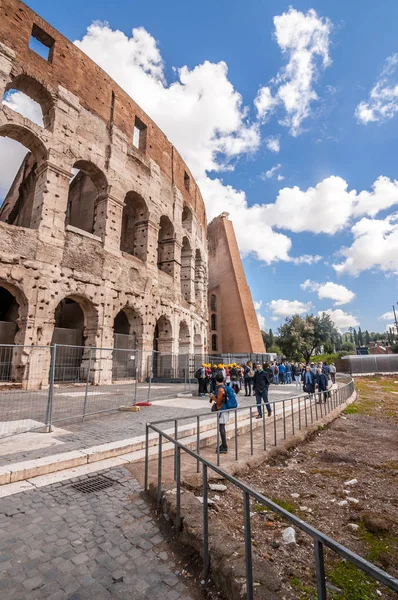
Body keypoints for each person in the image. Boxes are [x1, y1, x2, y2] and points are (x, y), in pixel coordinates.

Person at [209, 372, 229, 454]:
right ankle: (224, 445)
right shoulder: (222, 387)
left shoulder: (220, 389)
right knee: (221, 428)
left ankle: (224, 446)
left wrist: (212, 397)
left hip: (222, 410)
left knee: (221, 428)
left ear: (216, 380)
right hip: (223, 409)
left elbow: (219, 401)